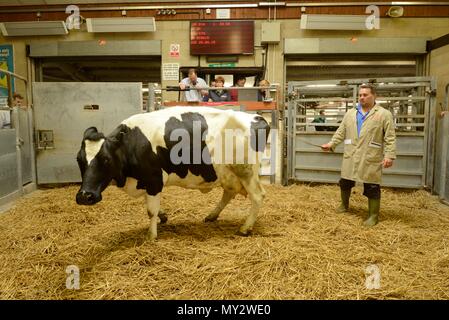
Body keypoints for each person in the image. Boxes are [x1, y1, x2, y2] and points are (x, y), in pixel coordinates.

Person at [320, 84, 396, 227]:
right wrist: (331, 144)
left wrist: (389, 155)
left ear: (374, 96)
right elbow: (341, 132)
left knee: (372, 186)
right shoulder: (350, 113)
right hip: (352, 154)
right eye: (360, 95)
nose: (362, 97)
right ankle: (344, 205)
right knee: (345, 182)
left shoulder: (383, 114)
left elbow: (390, 137)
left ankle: (373, 216)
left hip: (370, 155)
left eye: (365, 95)